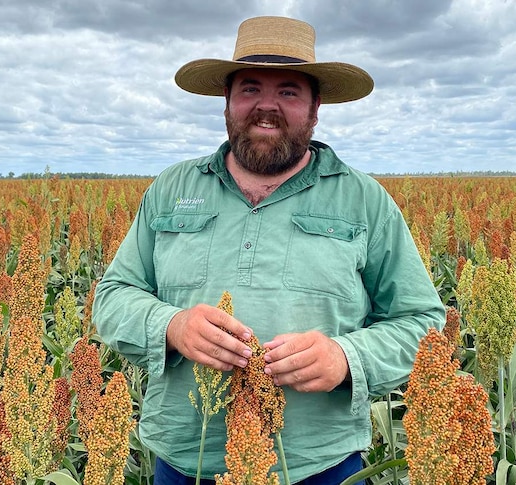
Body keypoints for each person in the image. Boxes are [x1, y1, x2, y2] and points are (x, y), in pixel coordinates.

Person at [93, 15, 445, 485]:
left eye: (288, 92)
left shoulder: (364, 201)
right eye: (251, 88)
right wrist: (172, 326)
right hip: (187, 459)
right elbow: (113, 296)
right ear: (227, 101)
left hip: (317, 465)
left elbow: (422, 322)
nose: (266, 106)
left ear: (315, 108)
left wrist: (346, 358)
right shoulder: (171, 189)